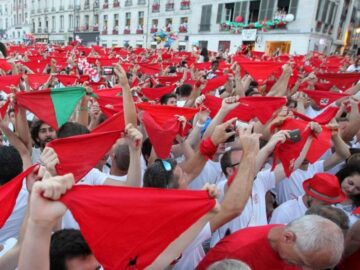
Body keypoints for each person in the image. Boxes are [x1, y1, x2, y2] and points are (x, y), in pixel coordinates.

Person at [198, 215, 345, 270]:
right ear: (288, 237)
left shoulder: (301, 246)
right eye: (300, 263)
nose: (303, 269)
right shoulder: (233, 253)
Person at [270, 173, 347, 224]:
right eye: (324, 203)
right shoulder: (285, 213)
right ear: (310, 196)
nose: (329, 207)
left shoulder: (332, 212)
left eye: (332, 203)